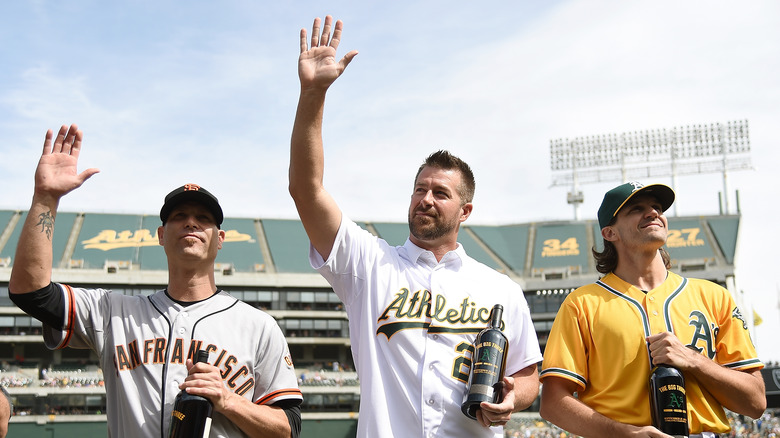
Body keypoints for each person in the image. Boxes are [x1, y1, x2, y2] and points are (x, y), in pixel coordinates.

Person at [289, 15, 543, 438]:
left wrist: (514, 397)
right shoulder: (369, 266)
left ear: (465, 212)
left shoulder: (502, 289)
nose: (425, 198)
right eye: (419, 189)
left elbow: (529, 375)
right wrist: (313, 95)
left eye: (441, 193)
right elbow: (305, 189)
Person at [9, 125, 303, 438]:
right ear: (161, 236)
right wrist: (45, 198)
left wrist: (228, 399)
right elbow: (31, 292)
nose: (191, 222)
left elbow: (289, 429)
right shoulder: (113, 312)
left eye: (204, 218)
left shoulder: (258, 326)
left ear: (220, 239)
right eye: (178, 216)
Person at [539, 181, 766, 437]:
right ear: (609, 233)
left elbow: (755, 403)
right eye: (636, 208)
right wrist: (624, 433)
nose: (653, 213)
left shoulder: (714, 296)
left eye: (657, 207)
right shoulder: (582, 303)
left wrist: (694, 360)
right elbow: (552, 403)